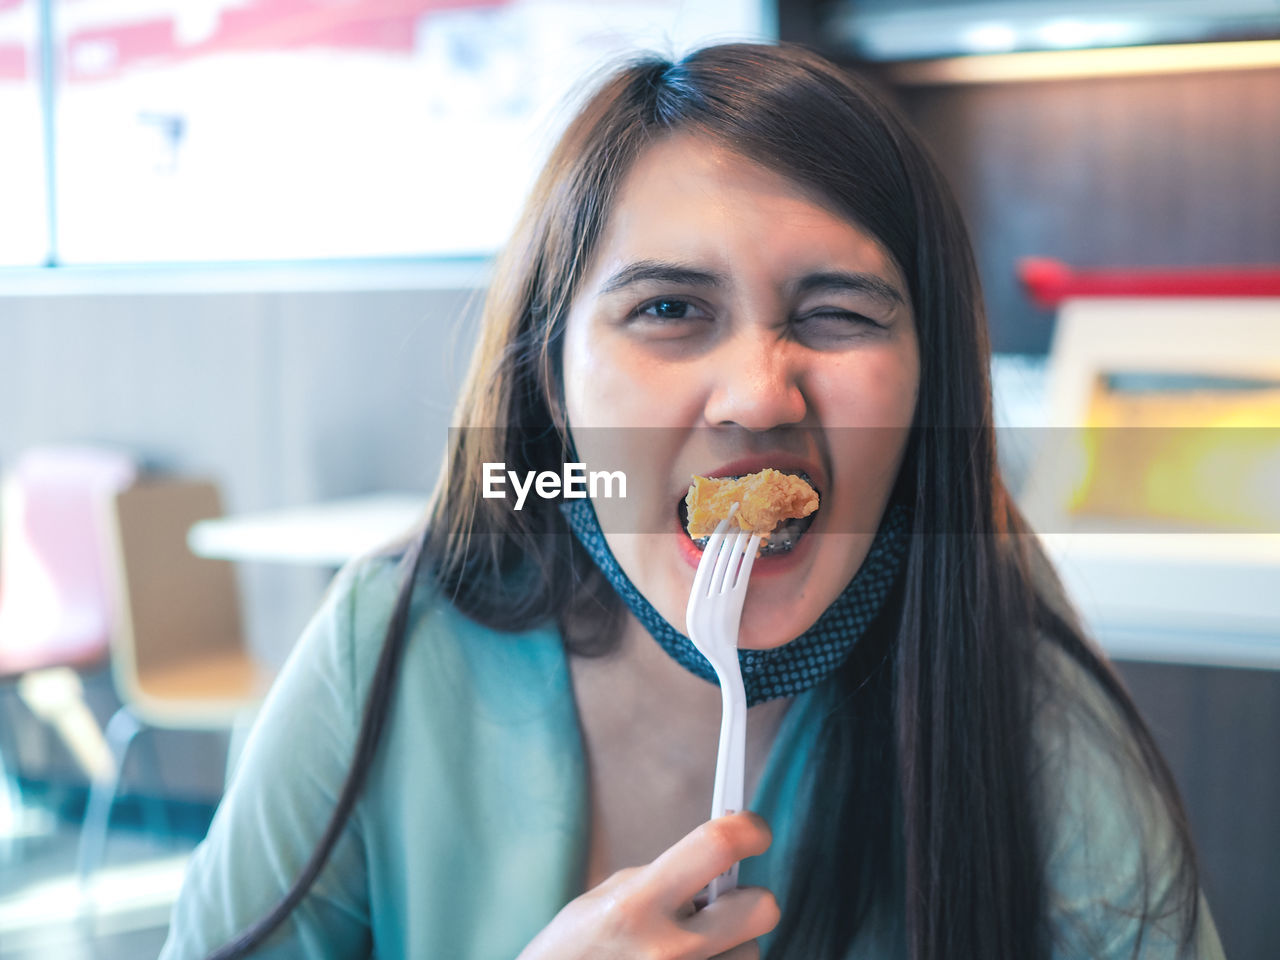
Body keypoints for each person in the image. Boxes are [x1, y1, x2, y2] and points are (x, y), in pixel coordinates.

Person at [159, 42, 1226, 960]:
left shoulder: (1007, 685)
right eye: (668, 308)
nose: (759, 392)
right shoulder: (385, 647)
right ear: (552, 381)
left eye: (839, 311)